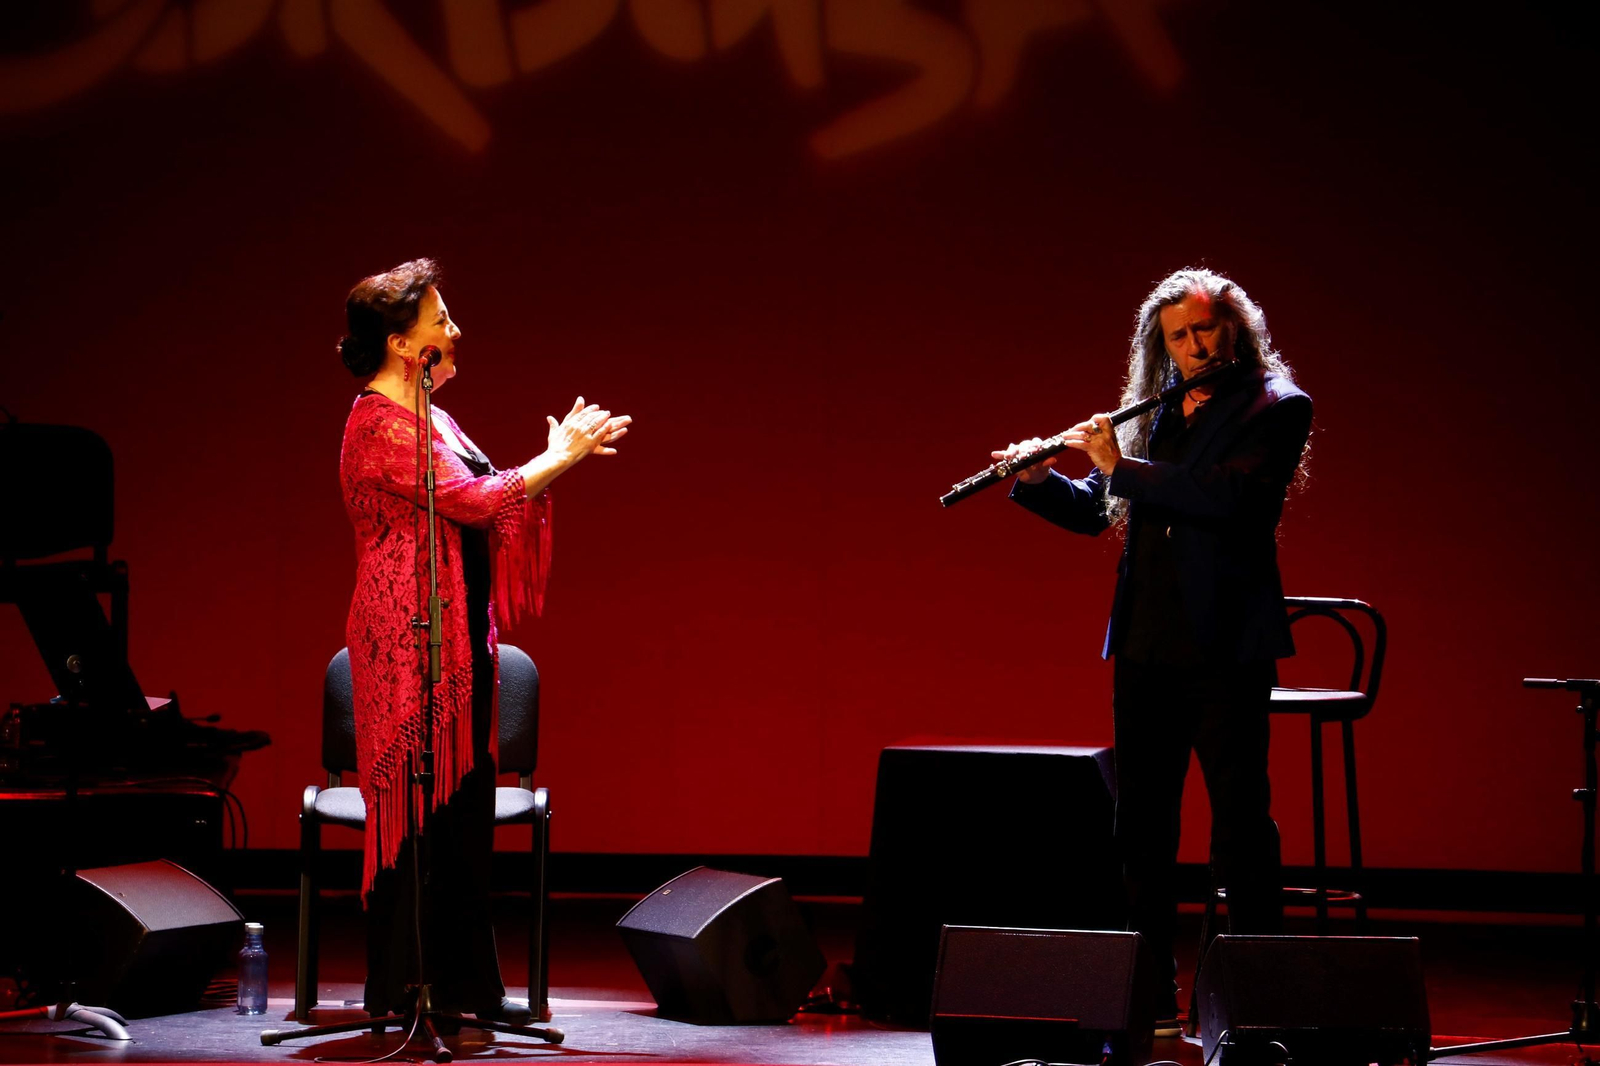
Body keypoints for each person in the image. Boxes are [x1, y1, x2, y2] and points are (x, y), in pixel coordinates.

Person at [996, 267, 1312, 1020]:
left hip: (1226, 646)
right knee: (1141, 827)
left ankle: (1256, 998)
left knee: (1240, 824)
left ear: (1236, 326)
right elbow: (1107, 511)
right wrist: (1041, 481)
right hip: (1145, 644)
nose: (1196, 346)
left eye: (1207, 329)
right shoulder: (1163, 409)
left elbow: (1232, 502)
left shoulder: (1278, 406)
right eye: (1180, 337)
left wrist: (1120, 464)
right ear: (1160, 345)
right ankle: (1147, 993)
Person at [336, 258, 631, 1022]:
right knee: (418, 815)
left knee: (463, 818)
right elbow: (472, 501)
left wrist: (553, 463)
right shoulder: (374, 422)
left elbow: (494, 497)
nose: (455, 331)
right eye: (441, 320)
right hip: (408, 644)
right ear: (406, 345)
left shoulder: (435, 417)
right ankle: (404, 991)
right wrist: (556, 459)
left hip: (462, 644)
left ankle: (469, 988)